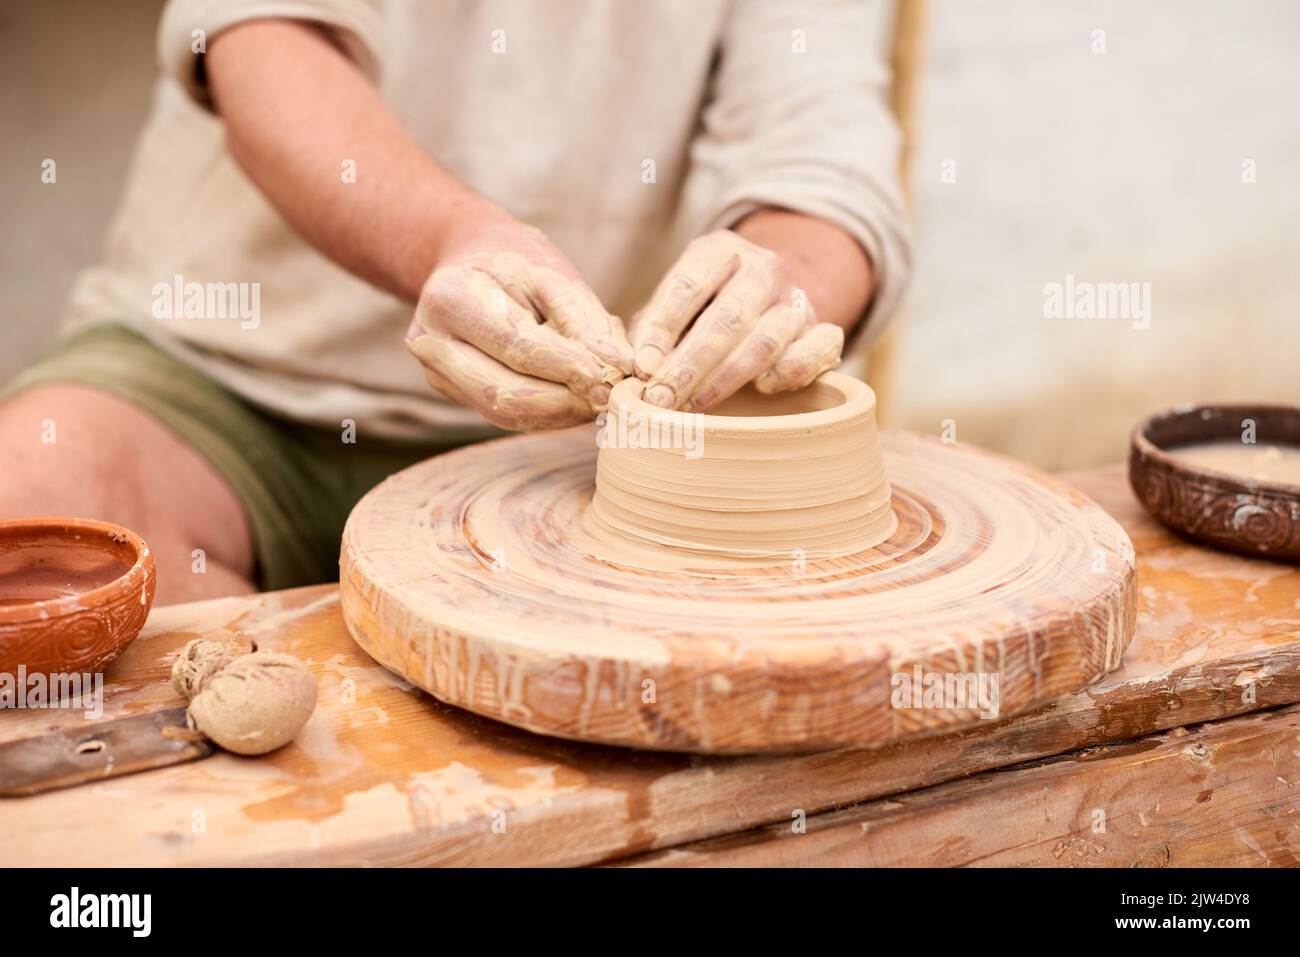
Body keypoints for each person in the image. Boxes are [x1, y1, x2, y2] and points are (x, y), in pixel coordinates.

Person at [1, 0, 910, 603]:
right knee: (31, 524)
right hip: (225, 382)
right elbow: (263, 43)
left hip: (577, 430)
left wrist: (780, 281)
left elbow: (819, 148)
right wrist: (448, 238)